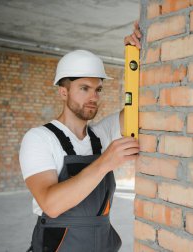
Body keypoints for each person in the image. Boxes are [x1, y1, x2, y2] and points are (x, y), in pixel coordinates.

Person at [20, 22, 142, 252]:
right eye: (84, 88)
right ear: (63, 91)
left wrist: (134, 55)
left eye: (98, 89)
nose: (94, 97)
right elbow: (51, 204)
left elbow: (138, 106)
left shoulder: (100, 134)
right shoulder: (39, 138)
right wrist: (105, 162)